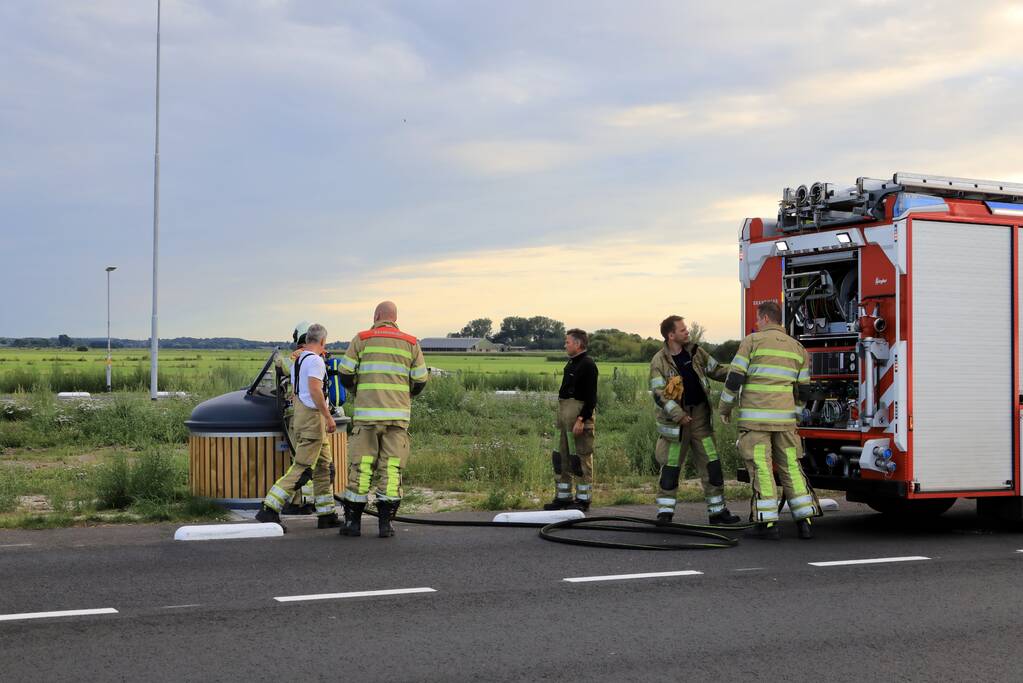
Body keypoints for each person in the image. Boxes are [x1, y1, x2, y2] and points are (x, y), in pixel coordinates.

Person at [719, 301, 821, 540]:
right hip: (785, 423)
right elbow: (804, 390)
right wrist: (795, 414)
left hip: (756, 423)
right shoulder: (797, 348)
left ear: (765, 318)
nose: (756, 323)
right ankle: (804, 521)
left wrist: (725, 407)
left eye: (757, 319)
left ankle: (767, 524)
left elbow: (734, 379)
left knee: (763, 470)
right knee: (792, 469)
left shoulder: (751, 342)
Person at [337, 301, 428, 538]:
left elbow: (345, 373)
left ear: (377, 316)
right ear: (395, 318)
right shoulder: (410, 343)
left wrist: (357, 390)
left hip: (367, 418)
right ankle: (385, 525)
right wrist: (405, 396)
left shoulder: (362, 338)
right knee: (391, 470)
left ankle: (353, 524)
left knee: (362, 466)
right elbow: (420, 380)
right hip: (397, 418)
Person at [649, 316, 741, 525]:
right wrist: (678, 415)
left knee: (712, 465)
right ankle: (665, 514)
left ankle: (717, 512)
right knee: (670, 469)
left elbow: (717, 370)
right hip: (676, 425)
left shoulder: (696, 352)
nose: (687, 332)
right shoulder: (659, 361)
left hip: (699, 418)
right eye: (682, 330)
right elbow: (658, 393)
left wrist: (740, 373)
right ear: (670, 335)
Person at [256, 323, 341, 530]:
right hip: (313, 419)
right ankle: (269, 508)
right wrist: (329, 417)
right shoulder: (315, 362)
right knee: (302, 468)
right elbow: (315, 390)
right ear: (322, 341)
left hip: (302, 416)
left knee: (324, 468)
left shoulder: (298, 360)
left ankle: (326, 513)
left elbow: (297, 391)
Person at [543, 329, 598, 512]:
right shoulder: (571, 364)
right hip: (564, 416)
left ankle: (583, 500)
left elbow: (591, 398)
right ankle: (563, 497)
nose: (565, 345)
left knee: (580, 458)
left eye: (567, 342)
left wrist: (581, 419)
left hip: (578, 418)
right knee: (561, 458)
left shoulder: (588, 365)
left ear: (578, 344)